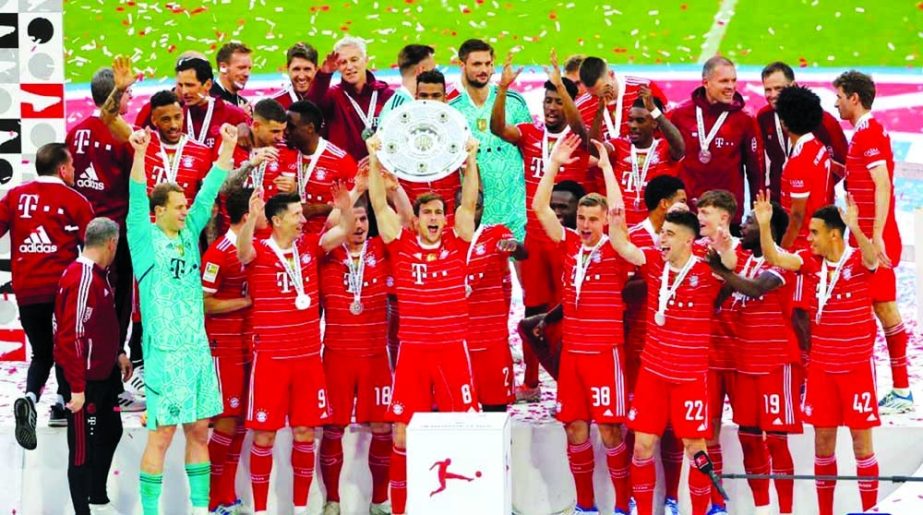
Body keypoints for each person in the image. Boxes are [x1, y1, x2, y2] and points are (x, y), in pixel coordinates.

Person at [365, 132, 481, 515]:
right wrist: (374, 157)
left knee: (460, 427)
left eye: (438, 213)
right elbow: (379, 205)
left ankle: (459, 507)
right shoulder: (401, 243)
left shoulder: (458, 241)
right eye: (427, 213)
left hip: (451, 349)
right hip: (413, 352)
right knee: (401, 433)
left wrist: (470, 161)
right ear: (416, 219)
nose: (434, 219)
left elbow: (468, 201)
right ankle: (400, 509)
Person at [126, 123, 236, 515]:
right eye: (178, 205)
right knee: (161, 435)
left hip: (196, 350)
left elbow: (209, 191)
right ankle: (150, 513)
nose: (186, 208)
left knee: (200, 431)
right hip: (165, 353)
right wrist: (139, 153)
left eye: (185, 204)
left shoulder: (189, 232)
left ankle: (199, 510)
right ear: (158, 213)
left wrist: (228, 148)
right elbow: (136, 198)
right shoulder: (144, 237)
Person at [608, 194, 736, 515]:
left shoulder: (706, 267)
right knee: (642, 445)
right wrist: (613, 219)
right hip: (653, 374)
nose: (661, 238)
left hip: (690, 378)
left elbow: (731, 265)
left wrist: (725, 246)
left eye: (669, 234)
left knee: (696, 449)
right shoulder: (653, 260)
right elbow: (623, 246)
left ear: (688, 241)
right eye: (661, 232)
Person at [757, 193, 881, 515]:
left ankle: (870, 511)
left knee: (861, 445)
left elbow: (872, 259)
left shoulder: (856, 261)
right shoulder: (809, 262)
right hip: (823, 368)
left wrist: (856, 227)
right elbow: (775, 257)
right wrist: (765, 226)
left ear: (833, 235)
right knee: (822, 444)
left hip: (856, 367)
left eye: (814, 232)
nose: (808, 238)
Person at [236, 185, 355, 515]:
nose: (304, 219)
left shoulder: (309, 247)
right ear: (277, 220)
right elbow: (242, 250)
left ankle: (301, 509)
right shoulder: (259, 250)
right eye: (297, 214)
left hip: (307, 359)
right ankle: (261, 511)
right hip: (272, 359)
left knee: (305, 432)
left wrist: (345, 207)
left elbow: (343, 231)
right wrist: (251, 218)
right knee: (264, 435)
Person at [534, 134, 632, 514]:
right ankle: (585, 506)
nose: (586, 224)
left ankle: (623, 506)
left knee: (609, 431)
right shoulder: (569, 244)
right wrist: (554, 165)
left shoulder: (618, 248)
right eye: (582, 218)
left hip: (605, 355)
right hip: (573, 355)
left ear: (605, 220)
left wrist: (606, 167)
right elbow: (540, 206)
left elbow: (620, 213)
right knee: (574, 428)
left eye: (593, 219)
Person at [490, 50, 588, 401]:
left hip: (565, 238)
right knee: (533, 307)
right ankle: (531, 381)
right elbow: (497, 128)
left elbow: (581, 128)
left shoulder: (578, 140)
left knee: (566, 308)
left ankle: (567, 378)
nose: (550, 107)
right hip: (533, 235)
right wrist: (501, 90)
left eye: (558, 101)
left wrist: (564, 87)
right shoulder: (530, 134)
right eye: (547, 100)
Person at [708, 205, 802, 515]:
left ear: (767, 227)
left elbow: (757, 289)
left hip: (775, 364)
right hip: (743, 363)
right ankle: (762, 509)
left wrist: (723, 272)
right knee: (749, 439)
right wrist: (721, 269)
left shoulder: (784, 261)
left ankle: (785, 511)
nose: (742, 227)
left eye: (749, 221)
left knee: (776, 441)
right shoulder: (741, 261)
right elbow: (719, 300)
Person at [3, 143, 94, 446]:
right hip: (62, 289)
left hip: (27, 288)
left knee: (42, 351)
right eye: (73, 167)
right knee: (69, 347)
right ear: (62, 168)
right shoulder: (76, 200)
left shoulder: (15, 196)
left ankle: (29, 398)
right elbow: (94, 250)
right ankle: (61, 404)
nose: (76, 172)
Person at [833, 70, 911, 414]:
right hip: (864, 235)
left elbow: (882, 184)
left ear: (854, 98)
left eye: (839, 96)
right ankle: (884, 387)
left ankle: (902, 390)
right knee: (870, 310)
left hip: (874, 238)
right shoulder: (863, 134)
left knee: (883, 309)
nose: (835, 102)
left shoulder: (870, 134)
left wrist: (877, 233)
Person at [318, 195, 393, 515]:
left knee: (382, 428)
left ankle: (379, 501)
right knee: (333, 428)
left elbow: (400, 220)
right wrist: (344, 205)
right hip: (337, 356)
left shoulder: (382, 249)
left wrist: (380, 189)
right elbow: (324, 233)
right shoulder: (327, 254)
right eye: (353, 220)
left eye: (363, 219)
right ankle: (332, 501)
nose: (358, 226)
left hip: (375, 357)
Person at [65, 67, 137, 399]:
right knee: (114, 304)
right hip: (115, 235)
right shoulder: (121, 137)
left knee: (82, 307)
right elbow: (136, 183)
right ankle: (110, 379)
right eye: (127, 92)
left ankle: (79, 380)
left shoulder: (75, 132)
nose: (132, 97)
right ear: (116, 95)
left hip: (83, 235)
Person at [54, 217, 133, 515]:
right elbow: (72, 335)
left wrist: (117, 353)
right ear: (111, 243)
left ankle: (97, 497)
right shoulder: (82, 278)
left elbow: (98, 327)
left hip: (104, 373)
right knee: (81, 452)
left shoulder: (98, 275)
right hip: (84, 381)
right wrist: (76, 389)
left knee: (111, 430)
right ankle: (83, 511)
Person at [622, 175, 688, 515]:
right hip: (639, 344)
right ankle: (637, 497)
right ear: (665, 204)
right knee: (640, 426)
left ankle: (673, 497)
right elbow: (617, 290)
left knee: (676, 426)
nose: (687, 205)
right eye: (682, 199)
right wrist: (652, 279)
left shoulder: (689, 242)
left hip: (677, 348)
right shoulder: (633, 239)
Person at [201, 187, 261, 513]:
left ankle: (228, 496)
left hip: (248, 344)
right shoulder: (218, 253)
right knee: (226, 421)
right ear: (248, 213)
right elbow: (203, 302)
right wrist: (245, 301)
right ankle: (211, 501)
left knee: (239, 423)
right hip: (222, 346)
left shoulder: (253, 248)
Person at [668, 56, 764, 230]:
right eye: (724, 81)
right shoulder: (680, 115)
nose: (731, 87)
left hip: (727, 216)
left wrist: (756, 212)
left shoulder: (745, 119)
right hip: (688, 213)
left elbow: (755, 171)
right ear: (706, 82)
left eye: (734, 80)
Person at [450, 39, 532, 241]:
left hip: (516, 214)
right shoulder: (452, 111)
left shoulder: (513, 102)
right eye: (477, 64)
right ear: (462, 65)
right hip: (477, 218)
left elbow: (531, 149)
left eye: (488, 64)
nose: (484, 69)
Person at [457, 187, 527, 413]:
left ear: (483, 208)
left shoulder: (496, 233)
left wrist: (515, 246)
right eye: (464, 206)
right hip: (456, 343)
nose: (470, 212)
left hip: (491, 339)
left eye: (475, 207)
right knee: (456, 412)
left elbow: (523, 252)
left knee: (494, 409)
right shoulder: (445, 239)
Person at [593, 86, 685, 227]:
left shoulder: (664, 148)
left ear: (654, 123)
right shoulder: (619, 145)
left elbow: (680, 147)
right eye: (630, 120)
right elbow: (595, 149)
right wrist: (599, 113)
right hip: (621, 228)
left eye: (640, 120)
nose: (633, 125)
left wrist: (655, 111)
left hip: (657, 229)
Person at [758, 61, 847, 203]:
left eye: (778, 88)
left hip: (814, 203)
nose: (773, 95)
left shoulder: (823, 121)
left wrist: (817, 186)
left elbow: (843, 167)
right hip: (777, 201)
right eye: (768, 89)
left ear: (793, 85)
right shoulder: (763, 118)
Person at [393, 70, 463, 224]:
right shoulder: (400, 133)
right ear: (416, 97)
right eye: (424, 96)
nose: (430, 101)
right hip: (413, 224)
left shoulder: (459, 132)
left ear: (445, 98)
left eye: (436, 96)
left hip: (450, 223)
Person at [134, 56, 250, 150]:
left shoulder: (235, 115)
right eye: (180, 85)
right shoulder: (174, 116)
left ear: (208, 85)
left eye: (190, 85)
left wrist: (247, 128)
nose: (184, 91)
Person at [308, 36, 394, 160]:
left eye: (354, 60)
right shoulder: (333, 96)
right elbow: (311, 105)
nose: (349, 67)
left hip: (381, 170)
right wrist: (324, 75)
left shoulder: (385, 95)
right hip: (345, 172)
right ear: (337, 67)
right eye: (343, 62)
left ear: (366, 59)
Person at [285, 100, 359, 233]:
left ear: (310, 128)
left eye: (291, 127)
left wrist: (317, 209)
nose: (286, 131)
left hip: (327, 240)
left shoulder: (341, 161)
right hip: (292, 240)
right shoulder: (285, 153)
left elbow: (357, 206)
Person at [774, 85, 832, 251]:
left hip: (801, 245)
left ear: (784, 122)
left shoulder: (799, 161)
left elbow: (797, 215)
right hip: (817, 236)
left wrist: (782, 251)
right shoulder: (818, 146)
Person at [575, 56, 667, 140]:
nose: (600, 96)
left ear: (611, 74)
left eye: (604, 89)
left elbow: (666, 127)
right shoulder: (581, 108)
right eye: (594, 94)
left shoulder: (644, 88)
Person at [378, 44, 436, 119]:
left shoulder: (410, 104)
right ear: (421, 71)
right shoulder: (398, 109)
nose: (435, 76)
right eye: (433, 71)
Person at [270, 43, 319, 109]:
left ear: (316, 70)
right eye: (296, 69)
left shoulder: (329, 101)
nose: (301, 76)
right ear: (287, 69)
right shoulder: (274, 106)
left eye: (307, 69)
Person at [211, 42, 253, 110]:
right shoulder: (206, 99)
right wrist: (238, 115)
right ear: (223, 67)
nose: (247, 74)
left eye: (249, 68)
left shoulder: (245, 105)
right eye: (241, 68)